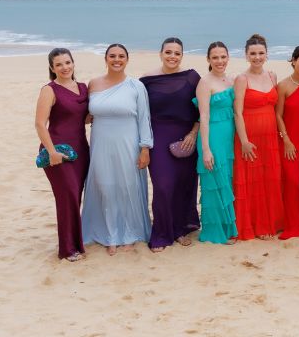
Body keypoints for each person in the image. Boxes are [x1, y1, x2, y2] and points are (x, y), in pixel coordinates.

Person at [82, 43, 153, 252]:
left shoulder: (136, 86)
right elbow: (85, 115)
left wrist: (145, 148)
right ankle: (109, 235)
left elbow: (144, 118)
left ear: (127, 59)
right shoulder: (93, 84)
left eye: (121, 56)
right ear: (105, 59)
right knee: (105, 187)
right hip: (101, 143)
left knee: (127, 187)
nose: (116, 59)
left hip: (128, 143)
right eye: (112, 56)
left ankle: (131, 233)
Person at [140, 37, 201, 249]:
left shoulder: (192, 78)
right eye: (168, 52)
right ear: (160, 53)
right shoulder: (146, 80)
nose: (172, 56)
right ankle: (162, 233)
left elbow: (203, 110)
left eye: (177, 53)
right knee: (163, 186)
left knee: (184, 186)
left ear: (182, 55)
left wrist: (193, 134)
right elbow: (137, 113)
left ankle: (180, 229)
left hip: (186, 139)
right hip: (157, 137)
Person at [34, 47, 89, 260]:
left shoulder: (83, 88)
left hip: (81, 150)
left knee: (75, 197)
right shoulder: (49, 90)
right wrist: (52, 151)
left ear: (73, 63)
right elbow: (40, 124)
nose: (64, 67)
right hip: (57, 151)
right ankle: (67, 249)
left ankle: (76, 243)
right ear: (52, 68)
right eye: (59, 64)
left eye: (67, 62)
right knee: (66, 196)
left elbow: (82, 117)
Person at [231, 34, 284, 240]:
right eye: (253, 54)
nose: (257, 57)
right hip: (249, 137)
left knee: (269, 179)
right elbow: (238, 112)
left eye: (261, 53)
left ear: (267, 55)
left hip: (270, 137)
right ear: (246, 55)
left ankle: (271, 222)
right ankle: (257, 225)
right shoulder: (241, 79)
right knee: (251, 181)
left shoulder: (272, 76)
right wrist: (244, 141)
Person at [195, 42, 238, 244]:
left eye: (223, 57)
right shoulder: (205, 82)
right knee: (214, 183)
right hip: (212, 138)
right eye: (215, 57)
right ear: (209, 60)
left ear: (228, 57)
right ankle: (214, 232)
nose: (220, 61)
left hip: (228, 138)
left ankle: (229, 228)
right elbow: (203, 117)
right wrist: (205, 149)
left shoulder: (230, 80)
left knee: (226, 181)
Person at [273, 45, 299, 239]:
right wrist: (286, 139)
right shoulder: (283, 86)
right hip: (289, 141)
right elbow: (278, 115)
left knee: (298, 182)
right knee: (290, 181)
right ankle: (292, 225)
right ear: (293, 60)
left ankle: (294, 219)